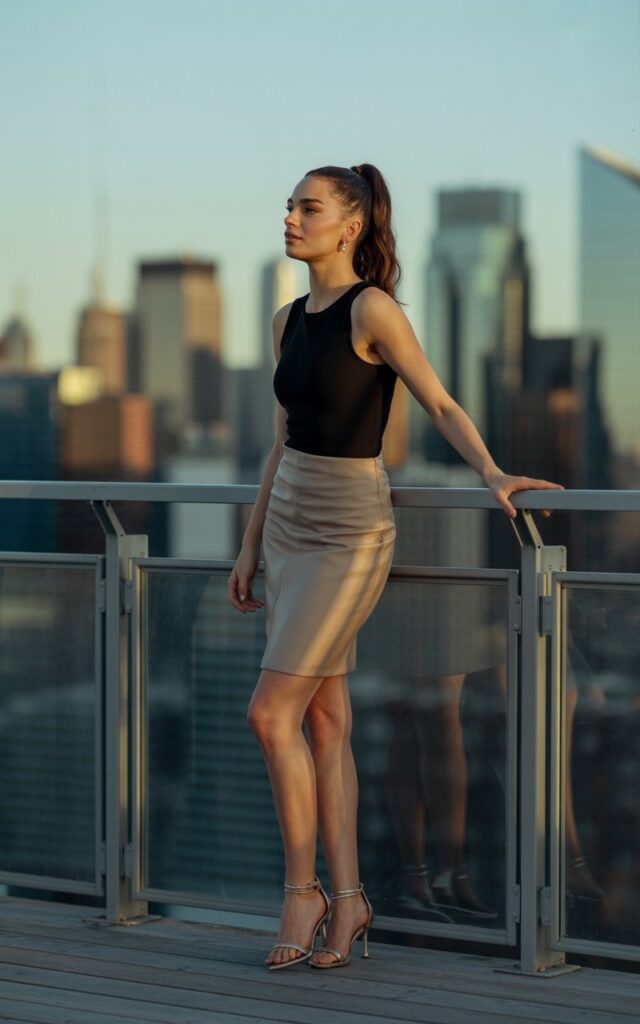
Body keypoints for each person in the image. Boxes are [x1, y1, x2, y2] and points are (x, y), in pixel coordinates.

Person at [228, 163, 563, 971]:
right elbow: (281, 439)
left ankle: (300, 890)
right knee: (324, 720)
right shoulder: (284, 320)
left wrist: (490, 472)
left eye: (308, 207)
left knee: (269, 714)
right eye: (288, 205)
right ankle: (349, 904)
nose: (290, 217)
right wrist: (248, 543)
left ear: (349, 225)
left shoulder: (371, 308)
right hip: (289, 528)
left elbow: (439, 401)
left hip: (351, 531)